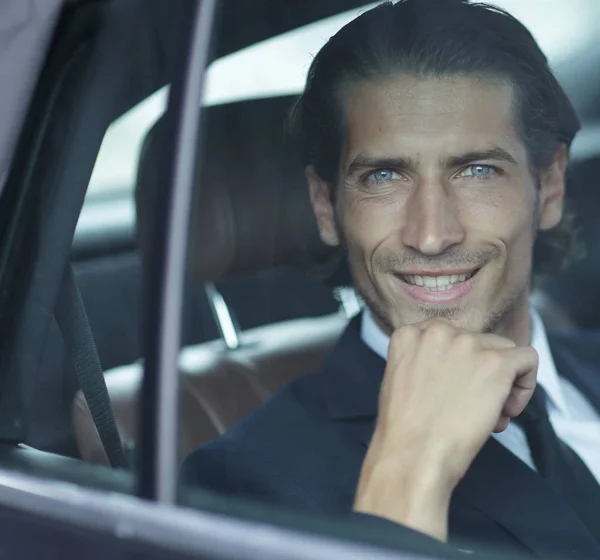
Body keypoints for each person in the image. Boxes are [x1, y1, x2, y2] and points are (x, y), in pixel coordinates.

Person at [182, 0, 600, 557]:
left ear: (548, 187)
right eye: (384, 175)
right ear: (327, 206)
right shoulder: (240, 485)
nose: (431, 234)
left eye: (477, 170)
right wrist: (409, 471)